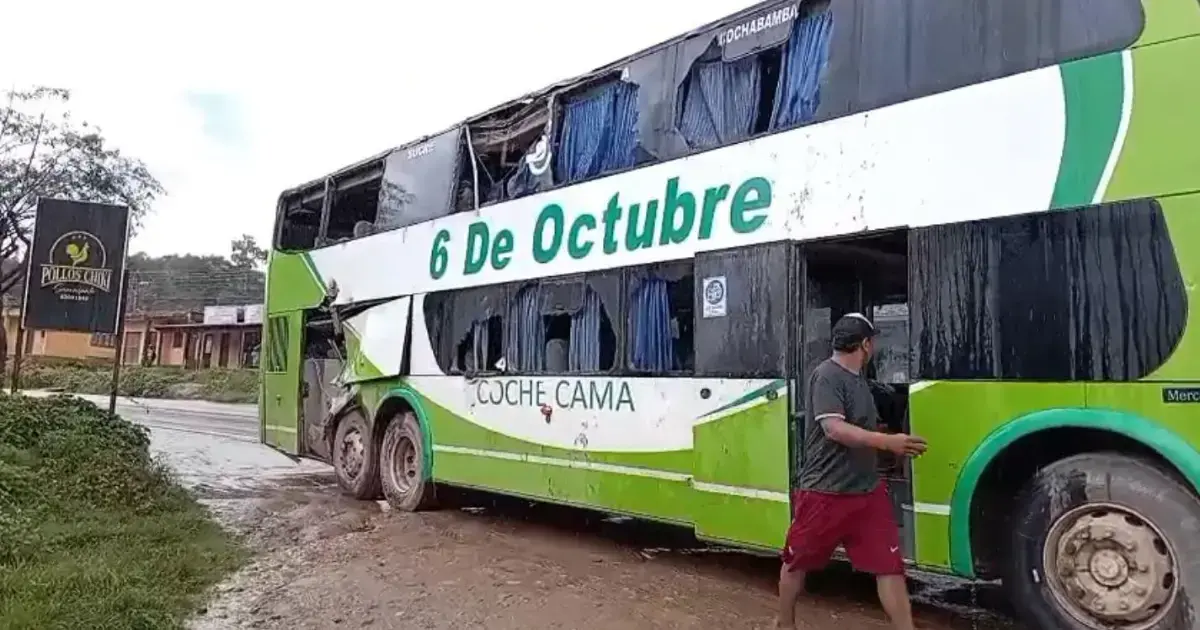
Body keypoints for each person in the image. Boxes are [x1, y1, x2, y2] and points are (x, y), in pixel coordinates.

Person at [778, 313, 927, 630]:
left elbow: (862, 430)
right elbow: (834, 429)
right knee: (796, 561)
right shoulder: (826, 376)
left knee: (889, 567)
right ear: (866, 344)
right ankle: (785, 623)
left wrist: (885, 447)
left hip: (866, 493)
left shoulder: (861, 381)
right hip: (825, 492)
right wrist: (888, 442)